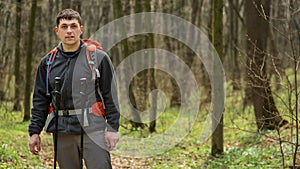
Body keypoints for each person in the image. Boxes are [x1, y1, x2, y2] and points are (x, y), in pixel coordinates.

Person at [28, 9, 120, 169]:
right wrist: (34, 132)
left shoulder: (98, 58)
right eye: (64, 26)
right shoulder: (47, 63)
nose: (69, 31)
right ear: (57, 31)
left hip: (94, 129)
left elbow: (110, 96)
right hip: (62, 130)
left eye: (73, 26)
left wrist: (112, 128)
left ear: (81, 29)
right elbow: (40, 100)